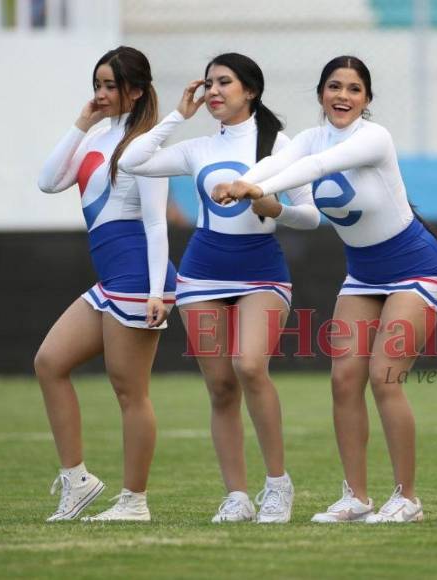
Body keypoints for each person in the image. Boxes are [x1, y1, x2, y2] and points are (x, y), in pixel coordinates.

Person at [213, 56, 437, 524]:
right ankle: (356, 497)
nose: (343, 96)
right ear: (321, 93)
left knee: (385, 376)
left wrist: (249, 189)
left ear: (367, 100)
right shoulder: (308, 137)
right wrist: (247, 180)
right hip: (362, 272)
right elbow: (278, 162)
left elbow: (314, 168)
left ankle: (407, 498)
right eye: (335, 87)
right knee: (344, 380)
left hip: (415, 267)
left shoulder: (372, 138)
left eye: (355, 89)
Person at [119, 53, 320, 524]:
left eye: (223, 82)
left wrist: (272, 207)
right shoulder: (197, 147)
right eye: (208, 83)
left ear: (249, 89)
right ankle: (236, 495)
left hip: (262, 274)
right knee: (221, 387)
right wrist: (177, 116)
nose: (213, 91)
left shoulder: (281, 144)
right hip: (201, 275)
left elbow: (310, 215)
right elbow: (131, 161)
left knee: (249, 366)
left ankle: (277, 486)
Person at [36, 46, 176, 522]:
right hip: (110, 279)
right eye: (97, 84)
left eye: (110, 85)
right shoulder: (96, 133)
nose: (100, 93)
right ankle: (77, 480)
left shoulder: (145, 143)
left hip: (139, 279)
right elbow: (48, 181)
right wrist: (81, 120)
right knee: (50, 362)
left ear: (135, 91)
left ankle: (134, 501)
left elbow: (157, 226)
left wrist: (159, 291)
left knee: (129, 391)